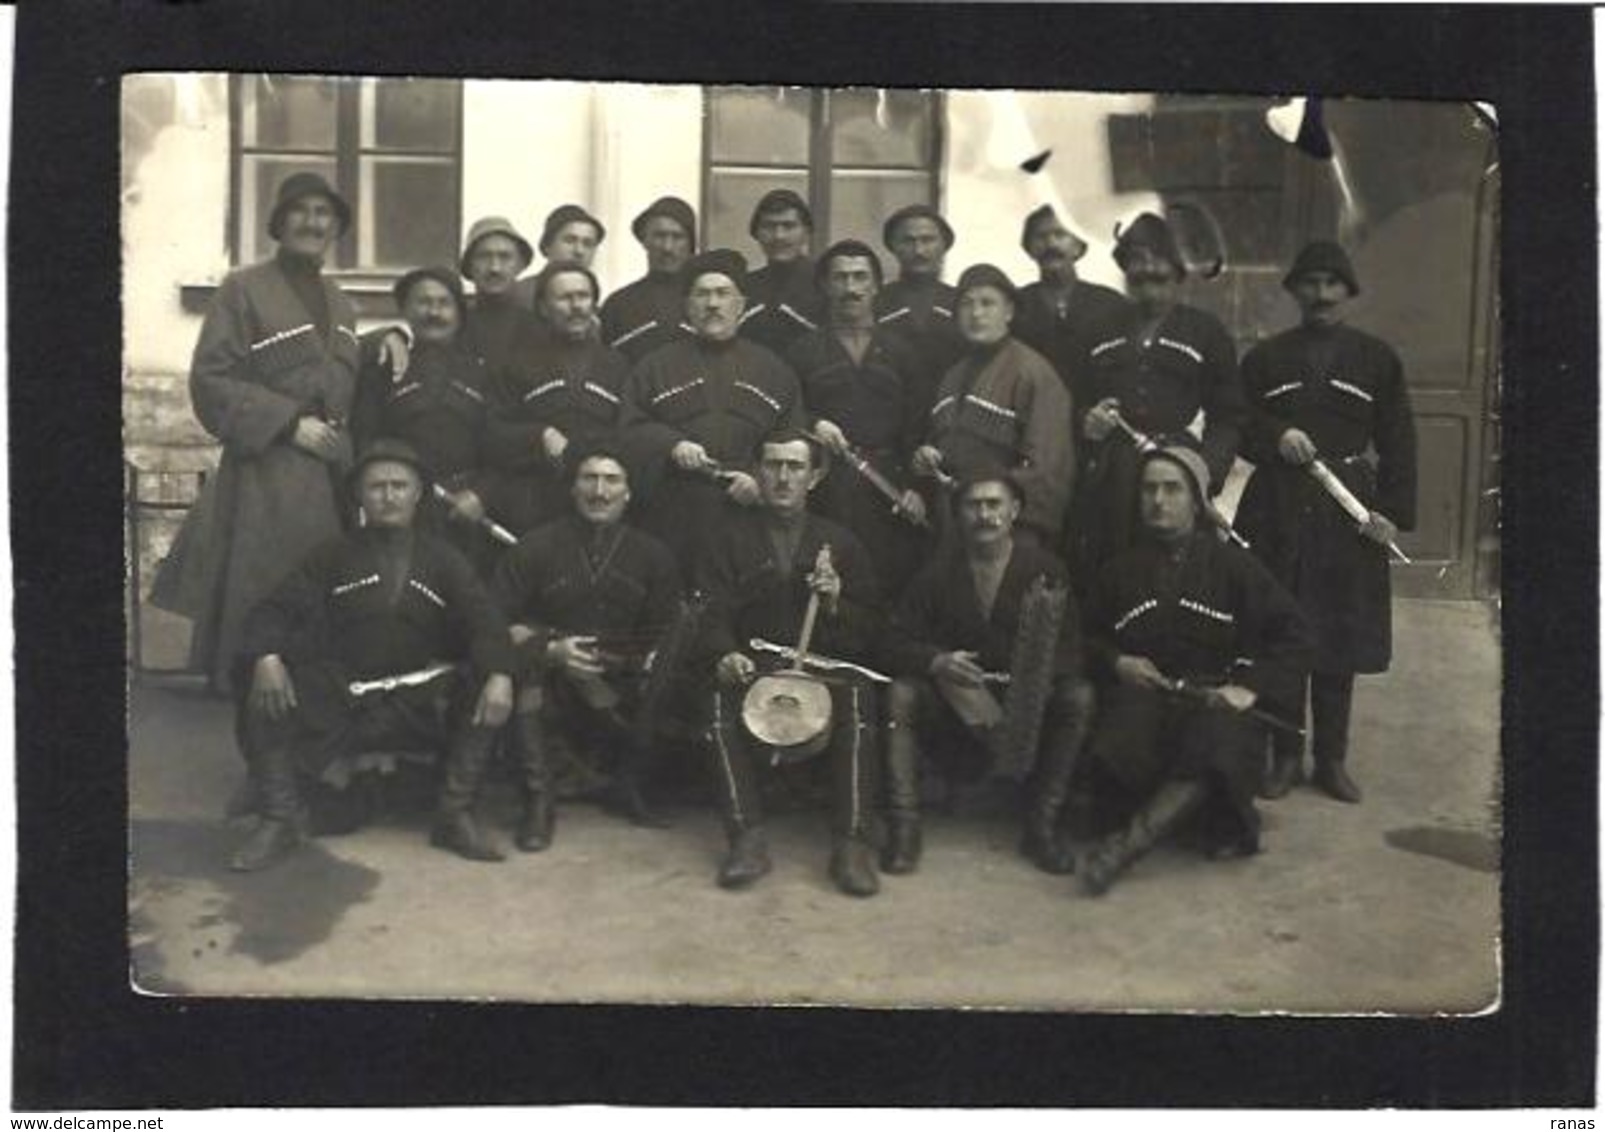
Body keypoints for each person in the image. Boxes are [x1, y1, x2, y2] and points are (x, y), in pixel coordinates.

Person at [226, 440, 516, 871]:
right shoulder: (331, 555)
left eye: (400, 486)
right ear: (359, 496)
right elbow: (274, 609)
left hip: (417, 695)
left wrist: (500, 674)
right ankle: (280, 818)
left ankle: (454, 815)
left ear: (418, 494)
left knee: (484, 684)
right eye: (377, 486)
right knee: (263, 682)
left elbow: (485, 621)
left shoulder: (445, 559)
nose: (389, 495)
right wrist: (266, 656)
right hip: (343, 690)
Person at [151, 172, 361, 691]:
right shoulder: (242, 288)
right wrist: (290, 425)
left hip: (329, 471)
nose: (313, 222)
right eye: (301, 210)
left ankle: (305, 680)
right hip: (267, 469)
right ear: (279, 222)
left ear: (335, 227)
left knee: (319, 578)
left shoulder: (342, 300)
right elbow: (210, 378)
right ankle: (247, 677)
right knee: (263, 574)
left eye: (324, 214)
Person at [1078, 446, 1313, 896]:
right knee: (1117, 739)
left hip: (1216, 704)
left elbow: (1297, 636)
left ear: (1198, 500)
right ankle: (1180, 817)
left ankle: (1124, 849)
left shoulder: (1234, 567)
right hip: (1150, 701)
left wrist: (1248, 688)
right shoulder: (1119, 571)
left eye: (1172, 489)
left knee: (1214, 743)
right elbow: (1084, 638)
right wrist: (1117, 661)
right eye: (1149, 490)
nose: (1158, 501)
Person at [1235, 241, 1418, 803]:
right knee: (1282, 633)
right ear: (1293, 291)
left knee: (1338, 634)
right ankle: (1285, 757)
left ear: (1349, 293)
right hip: (1278, 511)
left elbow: (1398, 440)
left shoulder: (1377, 359)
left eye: (1332, 284)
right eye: (1310, 283)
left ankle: (1330, 760)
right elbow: (1238, 422)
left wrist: (1388, 512)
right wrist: (1274, 435)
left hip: (1345, 513)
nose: (1321, 294)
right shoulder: (1265, 359)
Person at [695, 431, 885, 896]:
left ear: (815, 477)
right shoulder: (727, 539)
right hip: (755, 663)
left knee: (860, 697)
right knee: (715, 697)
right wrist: (726, 653)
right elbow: (710, 611)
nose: (783, 478)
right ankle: (746, 838)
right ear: (758, 471)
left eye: (795, 467)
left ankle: (852, 843)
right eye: (773, 465)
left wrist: (838, 601)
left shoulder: (840, 542)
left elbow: (873, 630)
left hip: (823, 667)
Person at [885, 471, 1093, 877]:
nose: (984, 515)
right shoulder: (938, 572)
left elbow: (1071, 649)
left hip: (1027, 709)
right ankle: (904, 828)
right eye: (973, 505)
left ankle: (1042, 827)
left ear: (1014, 511)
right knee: (901, 694)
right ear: (959, 514)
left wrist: (1034, 677)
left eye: (994, 504)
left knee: (1079, 696)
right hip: (956, 711)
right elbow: (892, 640)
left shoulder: (1046, 569)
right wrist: (937, 661)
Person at [490, 445, 683, 850]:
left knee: (669, 675)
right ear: (572, 488)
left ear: (628, 492)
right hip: (553, 675)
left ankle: (630, 785)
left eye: (612, 480)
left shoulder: (654, 555)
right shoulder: (536, 547)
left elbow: (666, 632)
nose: (599, 491)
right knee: (526, 675)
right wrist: (551, 650)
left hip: (621, 683)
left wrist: (623, 664)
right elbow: (494, 620)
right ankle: (539, 801)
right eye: (589, 478)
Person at [1073, 212, 1246, 581]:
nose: (1148, 270)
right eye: (1137, 260)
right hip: (1112, 475)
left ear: (1179, 270)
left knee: (1175, 572)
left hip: (1178, 471)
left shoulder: (1205, 331)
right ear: (1126, 269)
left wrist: (1204, 473)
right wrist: (1087, 421)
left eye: (1159, 262)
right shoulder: (1098, 328)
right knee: (1109, 571)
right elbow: (1077, 399)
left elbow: (1228, 416)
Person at [618, 248, 807, 569]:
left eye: (723, 293)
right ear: (687, 307)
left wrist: (758, 481)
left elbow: (791, 439)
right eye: (702, 294)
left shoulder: (773, 370)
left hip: (748, 512)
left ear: (741, 305)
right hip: (673, 513)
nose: (713, 304)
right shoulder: (654, 367)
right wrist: (670, 444)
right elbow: (628, 428)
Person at [787, 239, 932, 590]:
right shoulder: (802, 351)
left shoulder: (902, 351)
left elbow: (920, 423)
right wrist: (812, 425)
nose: (850, 289)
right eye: (840, 278)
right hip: (827, 488)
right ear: (824, 286)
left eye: (859, 277)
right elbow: (783, 413)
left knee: (889, 579)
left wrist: (917, 487)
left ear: (876, 285)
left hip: (888, 486)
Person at [910, 264, 1075, 547]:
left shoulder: (1034, 373)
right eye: (966, 304)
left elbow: (1048, 468)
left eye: (988, 303)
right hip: (954, 528)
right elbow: (944, 445)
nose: (976, 314)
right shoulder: (952, 377)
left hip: (1012, 531)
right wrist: (928, 456)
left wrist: (993, 503)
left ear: (1009, 311)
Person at [351, 267, 494, 561]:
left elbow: (501, 446)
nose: (434, 312)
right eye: (423, 302)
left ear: (459, 312)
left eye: (444, 303)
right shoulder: (384, 366)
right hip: (402, 512)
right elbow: (365, 438)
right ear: (405, 310)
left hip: (467, 510)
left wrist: (481, 494)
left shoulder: (483, 372)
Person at [484, 263, 631, 536]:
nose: (576, 306)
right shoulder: (516, 364)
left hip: (599, 500)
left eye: (583, 296)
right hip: (535, 501)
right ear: (543, 308)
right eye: (564, 298)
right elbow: (492, 431)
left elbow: (631, 431)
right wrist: (539, 434)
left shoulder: (618, 365)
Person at [1010, 204, 1130, 411]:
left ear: (1078, 245)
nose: (1051, 243)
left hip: (1100, 424)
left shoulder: (1110, 303)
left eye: (1060, 234)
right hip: (1038, 420)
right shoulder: (1016, 305)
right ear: (1030, 249)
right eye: (1041, 236)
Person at [875, 203, 967, 414]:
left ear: (944, 245)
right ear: (893, 246)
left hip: (952, 417)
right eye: (908, 241)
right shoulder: (877, 303)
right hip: (890, 417)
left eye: (928, 240)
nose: (919, 250)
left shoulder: (963, 302)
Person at [599, 195, 698, 363]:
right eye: (659, 236)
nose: (668, 247)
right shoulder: (618, 305)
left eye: (677, 237)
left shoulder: (705, 301)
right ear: (644, 240)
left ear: (690, 244)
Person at [738, 189, 825, 357]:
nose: (779, 236)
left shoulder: (825, 284)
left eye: (789, 226)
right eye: (769, 226)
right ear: (757, 234)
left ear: (806, 233)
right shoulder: (744, 287)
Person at [512, 204, 607, 312]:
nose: (579, 251)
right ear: (548, 245)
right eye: (570, 241)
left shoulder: (594, 307)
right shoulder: (518, 296)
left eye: (588, 244)